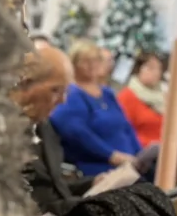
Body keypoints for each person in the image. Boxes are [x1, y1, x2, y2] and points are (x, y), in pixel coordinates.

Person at [13, 45, 105, 216]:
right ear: (25, 84)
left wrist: (91, 183)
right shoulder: (1, 135)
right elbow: (38, 207)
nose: (62, 100)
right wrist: (96, 204)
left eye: (66, 91)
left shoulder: (44, 126)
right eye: (55, 90)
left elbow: (55, 187)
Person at [50, 40, 146, 177]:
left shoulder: (107, 93)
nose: (92, 65)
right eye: (85, 61)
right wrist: (112, 156)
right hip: (99, 167)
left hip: (130, 164)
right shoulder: (71, 93)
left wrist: (139, 155)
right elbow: (77, 134)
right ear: (74, 64)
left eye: (96, 60)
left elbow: (126, 126)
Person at [116, 51, 166, 148]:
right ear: (138, 69)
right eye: (151, 68)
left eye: (159, 68)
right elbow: (121, 132)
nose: (156, 72)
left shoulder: (163, 97)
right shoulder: (127, 96)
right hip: (139, 152)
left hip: (162, 151)